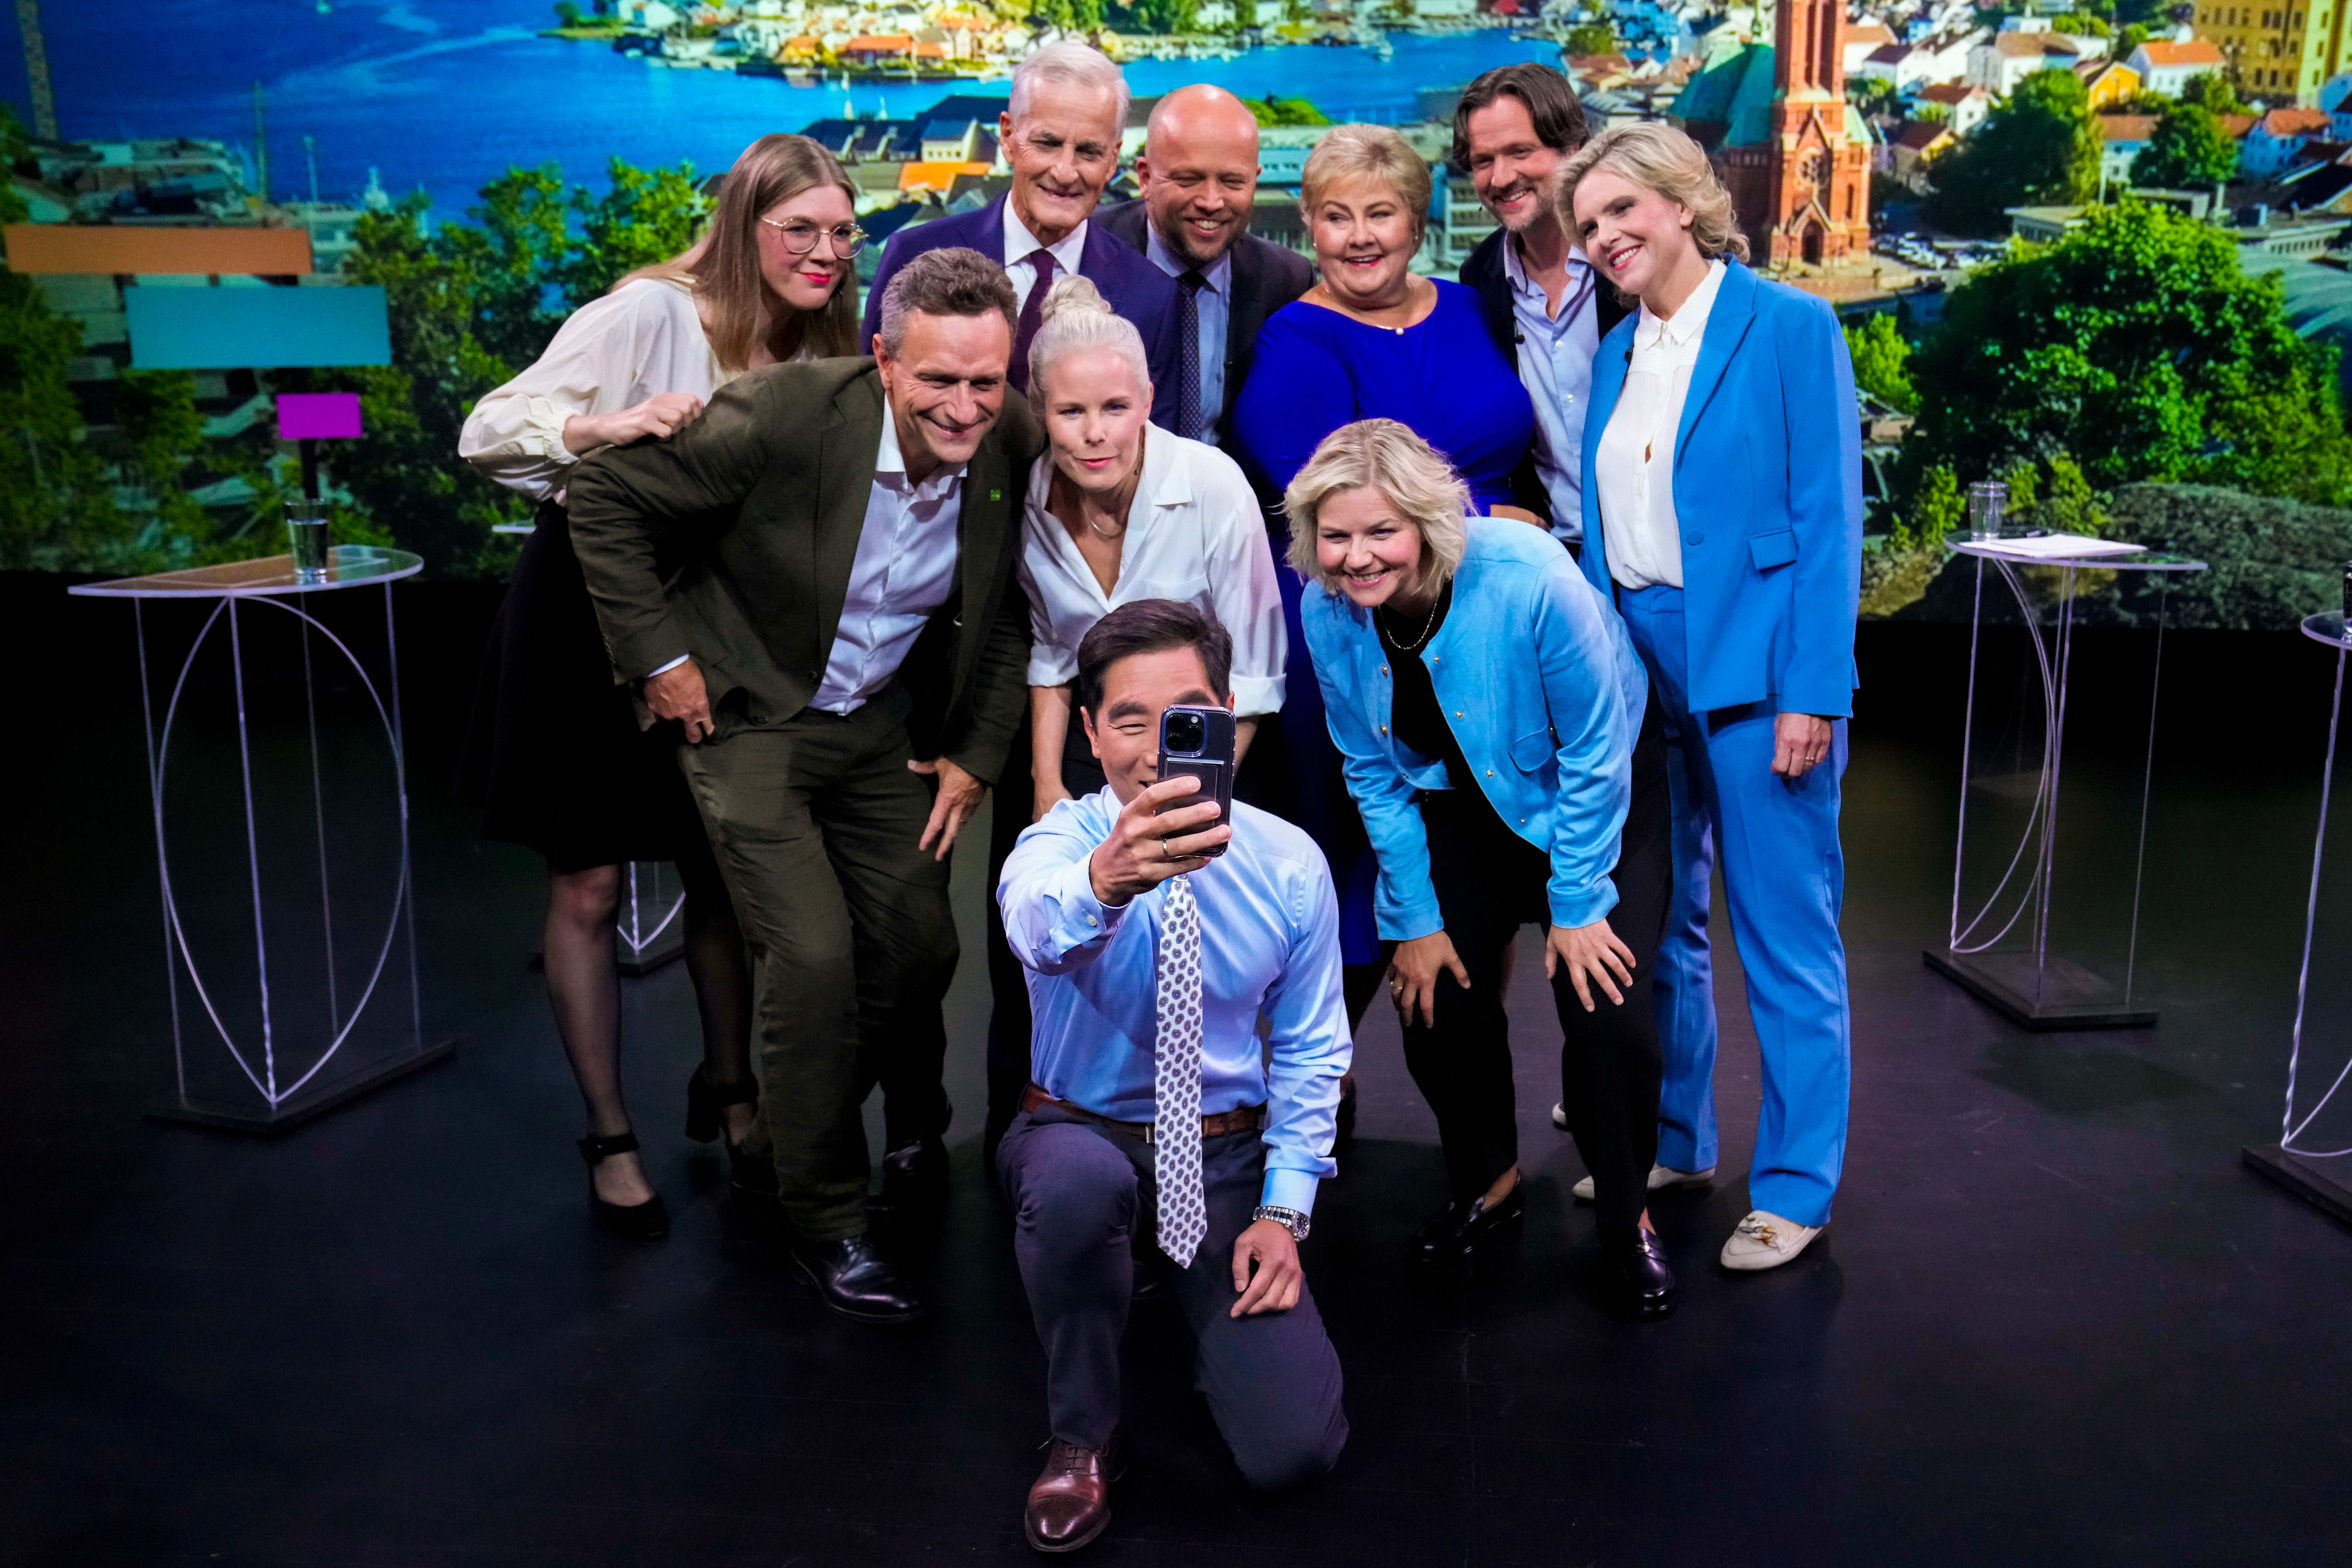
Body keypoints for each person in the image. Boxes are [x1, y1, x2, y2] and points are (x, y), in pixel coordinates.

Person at [565, 247, 1045, 1322]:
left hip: (876, 724)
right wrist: (660, 660)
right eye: (938, 379)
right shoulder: (783, 415)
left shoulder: (1009, 434)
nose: (964, 407)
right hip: (747, 715)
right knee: (814, 957)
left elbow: (1009, 605)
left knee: (918, 947)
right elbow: (602, 496)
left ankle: (776, 1141)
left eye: (985, 380)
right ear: (883, 359)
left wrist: (976, 751)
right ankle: (822, 1214)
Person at [456, 133, 863, 1239]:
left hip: (712, 621)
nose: (824, 251)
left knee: (721, 879)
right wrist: (600, 427)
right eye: (799, 229)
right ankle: (609, 1132)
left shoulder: (824, 339)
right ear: (743, 225)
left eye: (841, 232)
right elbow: (486, 428)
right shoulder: (652, 310)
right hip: (584, 614)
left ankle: (731, 1093)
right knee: (588, 885)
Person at [1288, 420, 1675, 1315]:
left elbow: (1594, 751)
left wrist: (1575, 903)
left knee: (1607, 1014)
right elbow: (1370, 768)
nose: (1355, 556)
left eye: (1380, 530)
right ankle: (1488, 1182)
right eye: (1335, 535)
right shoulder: (1324, 610)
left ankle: (1627, 1216)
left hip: (1596, 790)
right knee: (1432, 994)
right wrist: (1414, 917)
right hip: (1463, 797)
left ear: (1426, 521)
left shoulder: (1528, 576)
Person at [1562, 123, 1862, 1272]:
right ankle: (1679, 1142)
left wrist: (1811, 689)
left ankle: (1794, 1185)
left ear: (1682, 203)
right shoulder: (1612, 351)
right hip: (1636, 663)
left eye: (1620, 212)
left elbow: (1828, 519)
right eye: (1587, 226)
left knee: (1782, 932)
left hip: (1757, 660)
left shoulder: (1787, 325)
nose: (1603, 238)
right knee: (1662, 925)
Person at [997, 599, 1349, 1553]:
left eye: (1185, 717)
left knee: (1292, 1451)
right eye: (1128, 721)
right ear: (1087, 732)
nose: (1158, 748)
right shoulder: (1057, 847)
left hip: (1222, 1154)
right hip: (1078, 1130)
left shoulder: (1287, 864)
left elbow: (1312, 1047)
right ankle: (1082, 1432)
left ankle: (1199, 1310)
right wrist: (1106, 881)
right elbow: (1034, 928)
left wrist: (1284, 1212)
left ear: (1226, 716)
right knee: (1076, 1184)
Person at [1230, 123, 1539, 1026]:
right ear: (1308, 226)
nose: (1360, 236)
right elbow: (1328, 500)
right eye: (1337, 217)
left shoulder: (1467, 308)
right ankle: (1314, 1066)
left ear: (1416, 220)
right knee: (1355, 850)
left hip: (1483, 616)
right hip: (1360, 618)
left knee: (1474, 850)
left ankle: (1463, 1060)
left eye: (1381, 213)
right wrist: (1484, 519)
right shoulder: (1294, 342)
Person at [981, 277, 1288, 1151]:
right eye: (1070, 411)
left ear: (1148, 400)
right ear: (1039, 410)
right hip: (1087, 746)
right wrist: (1046, 788)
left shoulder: (1212, 484)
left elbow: (1254, 671)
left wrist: (1191, 795)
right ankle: (1046, 1134)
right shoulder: (1030, 498)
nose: (1094, 433)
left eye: (1114, 408)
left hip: (1206, 749)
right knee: (1049, 947)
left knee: (1191, 950)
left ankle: (1210, 1142)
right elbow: (1051, 654)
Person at [859, 40, 1179, 417]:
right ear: (1008, 137)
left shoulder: (1151, 296)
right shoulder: (912, 254)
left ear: (1113, 160)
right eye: (1047, 143)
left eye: (1089, 151)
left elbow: (1152, 443)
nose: (1065, 172)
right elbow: (868, 414)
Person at [1451, 63, 1630, 545]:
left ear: (1572, 150)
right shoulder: (1479, 278)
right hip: (1555, 551)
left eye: (1520, 152)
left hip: (1662, 550)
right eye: (1483, 160)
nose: (1500, 177)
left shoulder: (1631, 254)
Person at [1095, 83, 1317, 449]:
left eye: (1232, 182)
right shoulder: (1087, 255)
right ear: (1145, 178)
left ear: (1255, 180)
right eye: (1189, 179)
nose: (1211, 202)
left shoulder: (1287, 281)